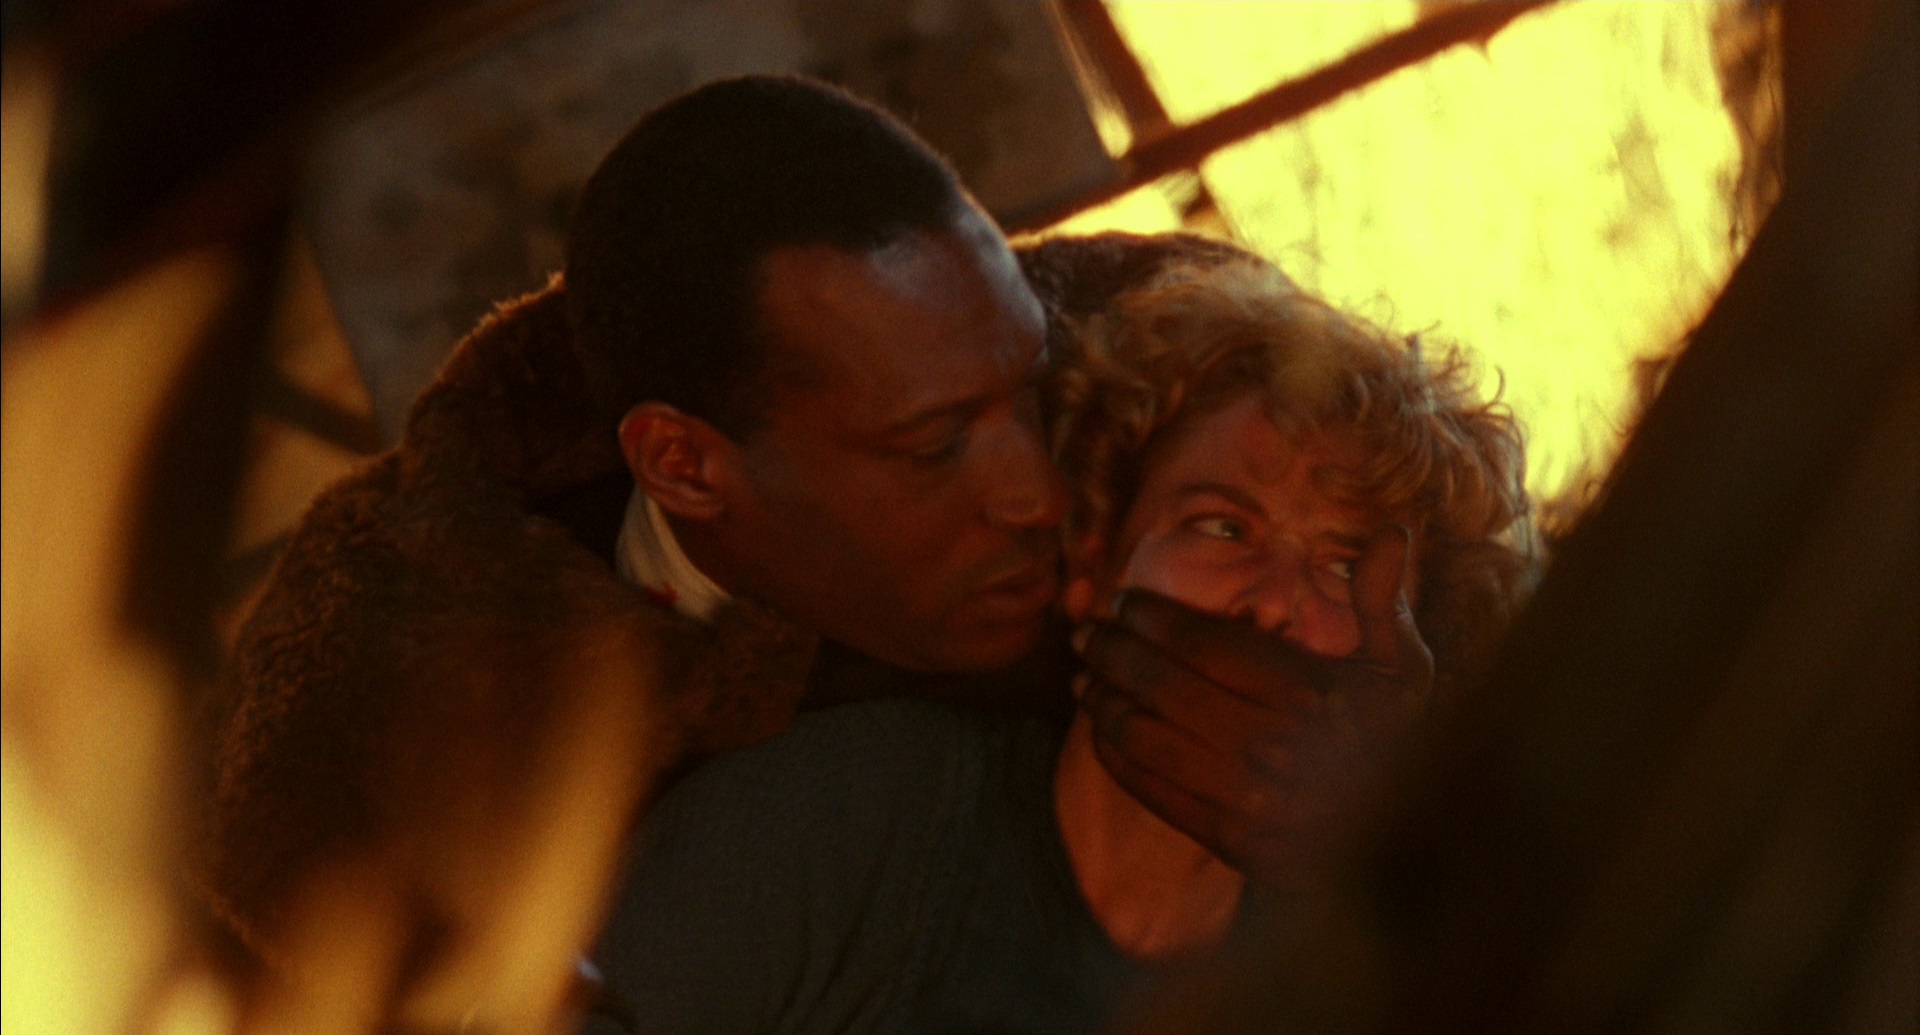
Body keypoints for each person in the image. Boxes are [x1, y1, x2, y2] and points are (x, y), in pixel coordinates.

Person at [201, 74, 1411, 986]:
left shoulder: (1174, 392)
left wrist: (1393, 788)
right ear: (685, 466)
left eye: (1028, 388)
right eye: (935, 444)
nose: (1035, 492)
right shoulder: (385, 746)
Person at [582, 250, 1535, 1034]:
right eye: (1222, 526)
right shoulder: (844, 822)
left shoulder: (1365, 971)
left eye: (1341, 566)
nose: (1274, 604)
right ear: (1092, 562)